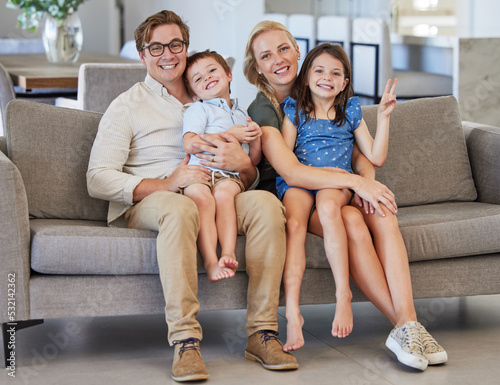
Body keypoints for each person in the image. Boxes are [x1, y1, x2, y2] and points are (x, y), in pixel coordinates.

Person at [87, 11, 298, 383]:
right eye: (156, 47)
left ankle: (262, 333)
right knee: (181, 206)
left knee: (266, 204)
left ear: (186, 47)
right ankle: (185, 340)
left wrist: (243, 166)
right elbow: (98, 179)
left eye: (175, 44)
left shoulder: (218, 99)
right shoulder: (128, 105)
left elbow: (246, 176)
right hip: (157, 198)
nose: (167, 54)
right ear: (142, 55)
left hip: (220, 188)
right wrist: (169, 182)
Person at [243, 20, 447, 371]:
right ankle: (403, 327)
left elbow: (359, 152)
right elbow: (291, 170)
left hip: (341, 189)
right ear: (257, 66)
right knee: (348, 218)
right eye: (266, 55)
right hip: (302, 195)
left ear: (297, 51)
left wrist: (366, 184)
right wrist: (355, 184)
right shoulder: (269, 109)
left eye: (283, 48)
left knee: (379, 213)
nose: (278, 59)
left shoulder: (340, 102)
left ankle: (409, 324)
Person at [277, 42, 397, 352]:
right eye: (319, 70)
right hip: (301, 184)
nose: (326, 77)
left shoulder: (351, 110)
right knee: (294, 225)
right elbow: (287, 161)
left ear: (344, 83)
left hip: (338, 183)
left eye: (335, 73)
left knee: (330, 206)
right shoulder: (294, 109)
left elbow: (375, 155)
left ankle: (343, 294)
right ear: (306, 77)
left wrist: (384, 118)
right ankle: (293, 313)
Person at [182, 50, 262, 282]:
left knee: (225, 197)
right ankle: (209, 260)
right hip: (200, 171)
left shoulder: (241, 113)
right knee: (203, 199)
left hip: (230, 176)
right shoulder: (200, 109)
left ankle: (227, 252)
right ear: (195, 95)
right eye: (198, 79)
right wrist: (229, 134)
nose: (206, 77)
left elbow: (252, 161)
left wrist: (256, 139)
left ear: (228, 74)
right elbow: (189, 143)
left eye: (212, 70)